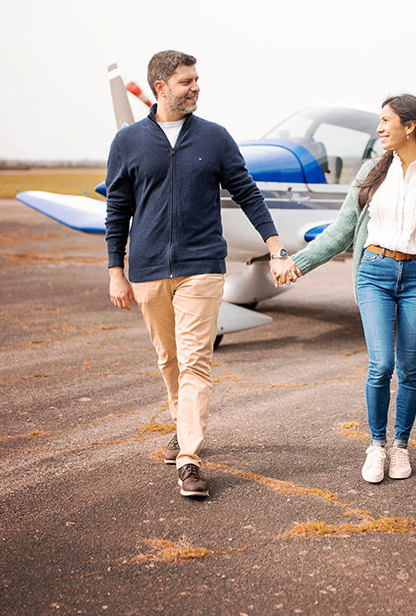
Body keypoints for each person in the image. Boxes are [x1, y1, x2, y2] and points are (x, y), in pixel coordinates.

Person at [105, 50, 299, 498]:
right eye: (185, 81)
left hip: (202, 267)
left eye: (196, 80)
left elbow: (248, 194)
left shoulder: (214, 138)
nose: (195, 87)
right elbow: (117, 210)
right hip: (148, 269)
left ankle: (189, 458)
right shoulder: (128, 142)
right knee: (169, 361)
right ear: (160, 87)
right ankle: (182, 425)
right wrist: (116, 270)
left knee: (196, 360)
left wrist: (276, 249)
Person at [287, 94, 416, 483]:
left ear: (409, 126)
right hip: (374, 273)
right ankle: (376, 446)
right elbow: (341, 231)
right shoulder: (371, 174)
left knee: (410, 369)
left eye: (385, 121)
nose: (379, 129)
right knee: (381, 365)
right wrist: (298, 263)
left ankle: (401, 447)